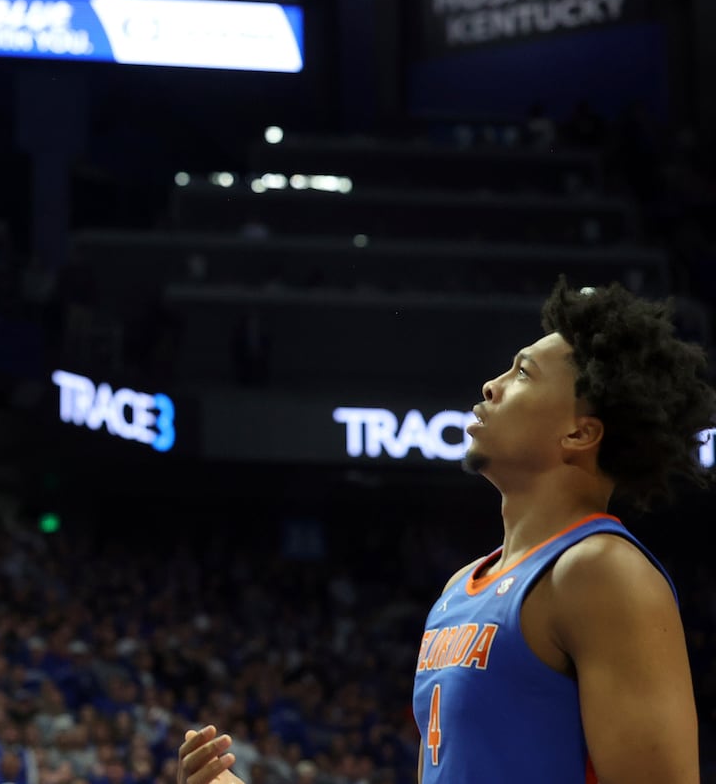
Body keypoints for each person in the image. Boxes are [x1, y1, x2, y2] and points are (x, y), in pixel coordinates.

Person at [176, 280, 713, 784]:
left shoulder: (601, 571)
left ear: (578, 432)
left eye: (523, 373)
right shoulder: (460, 589)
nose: (492, 385)